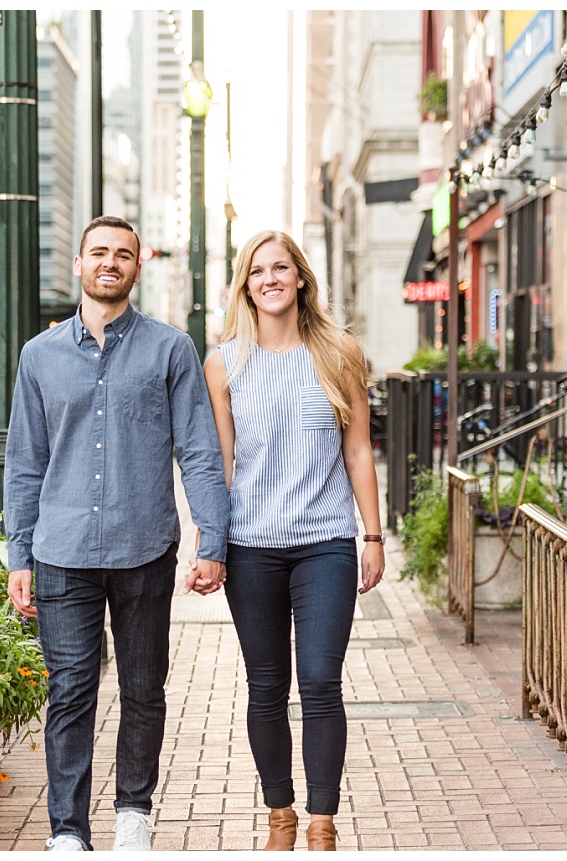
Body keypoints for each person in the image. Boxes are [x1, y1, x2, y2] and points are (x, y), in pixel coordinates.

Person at [4, 215, 230, 851]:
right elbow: (25, 461)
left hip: (145, 549)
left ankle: (134, 812)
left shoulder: (169, 349)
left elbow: (200, 452)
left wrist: (210, 539)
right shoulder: (39, 357)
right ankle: (68, 832)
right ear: (79, 265)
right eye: (98, 253)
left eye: (122, 254)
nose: (110, 263)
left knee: (143, 689)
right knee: (70, 691)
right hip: (62, 552)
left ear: (138, 266)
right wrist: (18, 554)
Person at [198, 230, 385, 852]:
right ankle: (280, 816)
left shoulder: (340, 352)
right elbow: (218, 465)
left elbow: (358, 449)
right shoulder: (224, 363)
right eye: (257, 271)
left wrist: (374, 536)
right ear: (245, 285)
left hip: (325, 543)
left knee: (319, 679)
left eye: (281, 268)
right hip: (252, 547)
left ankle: (322, 824)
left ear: (301, 278)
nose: (270, 279)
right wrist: (212, 546)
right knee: (266, 684)